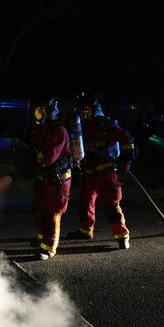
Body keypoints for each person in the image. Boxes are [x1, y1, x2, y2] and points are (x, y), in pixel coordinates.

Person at [67, 100, 135, 249]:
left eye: (87, 110)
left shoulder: (107, 124)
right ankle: (85, 231)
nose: (84, 114)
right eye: (82, 111)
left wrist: (127, 161)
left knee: (111, 205)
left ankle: (122, 236)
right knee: (85, 203)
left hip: (106, 171)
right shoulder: (80, 127)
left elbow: (128, 140)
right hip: (89, 172)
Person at [31, 101, 73, 259]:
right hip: (45, 179)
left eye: (40, 111)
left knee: (52, 213)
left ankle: (49, 248)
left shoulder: (59, 131)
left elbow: (49, 157)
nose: (37, 115)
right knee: (39, 209)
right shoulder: (41, 130)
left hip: (58, 182)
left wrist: (35, 155)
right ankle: (43, 241)